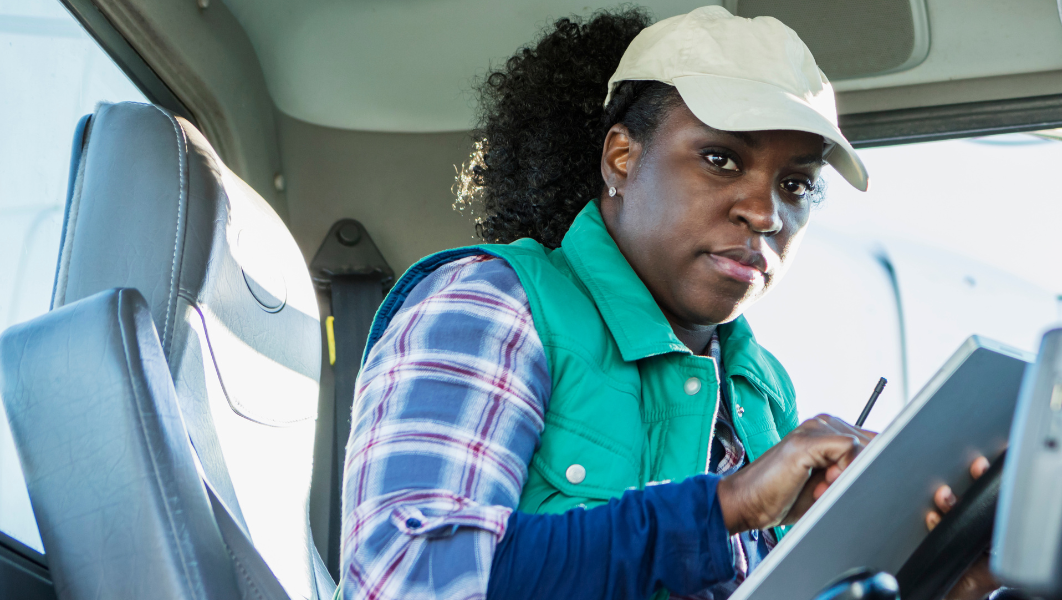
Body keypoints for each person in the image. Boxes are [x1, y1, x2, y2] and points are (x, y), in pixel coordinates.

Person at [338, 6, 988, 599]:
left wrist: (944, 578)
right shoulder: (494, 307)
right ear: (621, 158)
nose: (765, 213)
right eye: (721, 159)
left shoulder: (761, 391)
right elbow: (403, 576)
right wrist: (726, 507)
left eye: (795, 185)